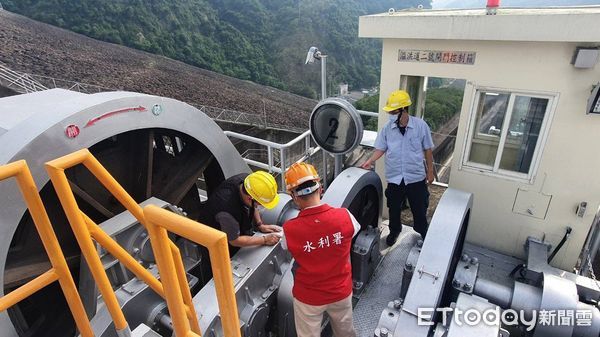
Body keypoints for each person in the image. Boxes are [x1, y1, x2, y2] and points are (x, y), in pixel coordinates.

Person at [281, 162, 360, 337]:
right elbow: (354, 230)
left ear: (294, 196)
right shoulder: (345, 216)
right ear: (320, 188)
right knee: (345, 332)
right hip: (341, 291)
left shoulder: (289, 229)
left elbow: (285, 246)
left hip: (308, 297)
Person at [361, 89, 434, 245]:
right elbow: (381, 148)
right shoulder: (388, 128)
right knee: (394, 209)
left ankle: (423, 232)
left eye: (394, 111)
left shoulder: (421, 126)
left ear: (403, 110)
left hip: (415, 177)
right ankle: (394, 231)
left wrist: (430, 172)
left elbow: (428, 149)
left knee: (419, 209)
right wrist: (370, 160)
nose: (391, 115)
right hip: (395, 178)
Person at [198, 171, 282, 255]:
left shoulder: (248, 182)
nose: (259, 206)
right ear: (249, 199)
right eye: (260, 204)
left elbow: (254, 204)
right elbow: (234, 241)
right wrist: (265, 240)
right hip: (211, 239)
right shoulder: (227, 210)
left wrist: (260, 224)